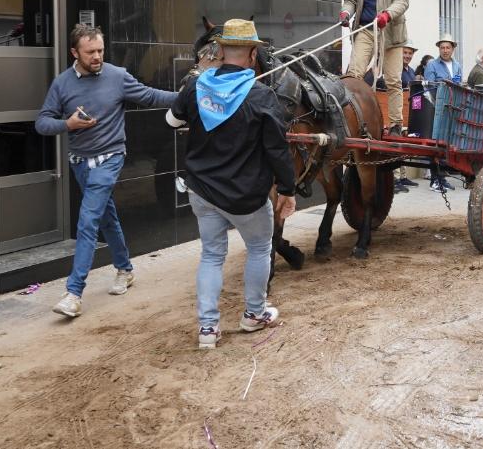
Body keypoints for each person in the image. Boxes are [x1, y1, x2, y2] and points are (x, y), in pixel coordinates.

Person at [166, 19, 296, 348]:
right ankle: (253, 314)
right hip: (246, 196)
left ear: (221, 50)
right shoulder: (263, 96)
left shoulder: (196, 86)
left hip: (203, 190)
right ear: (253, 54)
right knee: (258, 249)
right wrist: (288, 189)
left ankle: (207, 329)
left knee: (211, 255)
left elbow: (171, 120)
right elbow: (278, 151)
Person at [38, 24, 178, 319]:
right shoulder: (62, 84)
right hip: (79, 163)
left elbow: (150, 96)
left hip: (110, 158)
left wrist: (186, 96)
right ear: (75, 52)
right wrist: (68, 125)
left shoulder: (117, 76)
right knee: (106, 218)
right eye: (91, 52)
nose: (97, 56)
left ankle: (74, 293)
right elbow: (42, 123)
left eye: (100, 50)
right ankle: (125, 269)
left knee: (87, 222)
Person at [340, 0, 410, 135]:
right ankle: (353, 120)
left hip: (390, 33)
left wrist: (387, 15)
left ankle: (396, 124)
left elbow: (402, 1)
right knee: (353, 75)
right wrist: (346, 13)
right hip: (364, 29)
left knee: (393, 80)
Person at [423, 34, 460, 191]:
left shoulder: (457, 65)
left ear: (453, 49)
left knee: (446, 144)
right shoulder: (432, 65)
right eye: (442, 48)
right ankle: (434, 180)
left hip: (451, 109)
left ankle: (442, 178)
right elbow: (428, 87)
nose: (445, 50)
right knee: (435, 144)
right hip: (436, 109)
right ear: (439, 49)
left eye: (448, 47)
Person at [394, 41, 419, 192]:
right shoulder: (394, 68)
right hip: (397, 112)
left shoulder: (411, 71)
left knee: (403, 145)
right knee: (395, 145)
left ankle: (402, 176)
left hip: (408, 113)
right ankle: (395, 178)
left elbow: (414, 92)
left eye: (410, 53)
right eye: (405, 52)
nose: (407, 56)